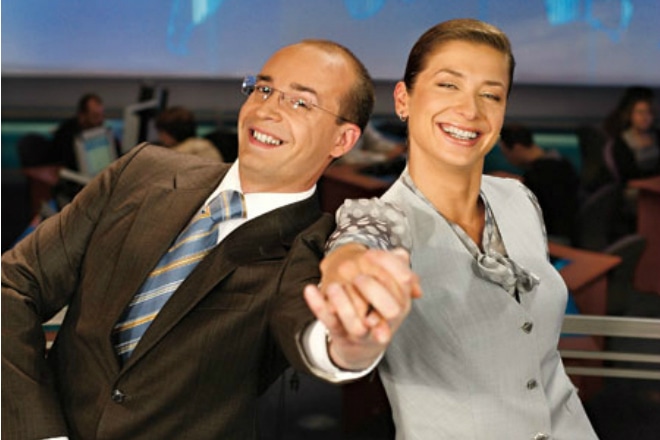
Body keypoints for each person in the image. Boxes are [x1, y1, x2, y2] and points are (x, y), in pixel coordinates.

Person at [1, 39, 417, 440]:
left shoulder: (312, 246)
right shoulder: (140, 172)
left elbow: (313, 335)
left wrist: (350, 349)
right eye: (264, 89)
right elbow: (14, 284)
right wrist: (37, 430)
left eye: (300, 102)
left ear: (342, 140)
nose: (267, 109)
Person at [304, 19, 598, 439]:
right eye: (448, 85)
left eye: (490, 94)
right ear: (403, 100)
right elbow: (356, 245)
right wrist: (347, 284)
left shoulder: (519, 197)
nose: (471, 110)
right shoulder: (379, 217)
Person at [499, 123, 581, 241]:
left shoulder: (541, 172)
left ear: (517, 148)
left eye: (506, 154)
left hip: (555, 238)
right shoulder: (560, 164)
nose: (508, 159)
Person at [51, 93, 118, 170]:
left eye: (102, 115)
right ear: (82, 116)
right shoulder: (65, 136)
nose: (100, 120)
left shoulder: (103, 132)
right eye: (95, 116)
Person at [608, 92, 660, 183]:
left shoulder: (657, 135)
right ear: (630, 115)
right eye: (640, 113)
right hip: (637, 186)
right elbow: (628, 177)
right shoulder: (622, 142)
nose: (645, 117)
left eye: (648, 112)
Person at [155, 105, 224, 161]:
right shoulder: (205, 145)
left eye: (161, 132)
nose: (160, 137)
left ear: (172, 132)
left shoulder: (179, 153)